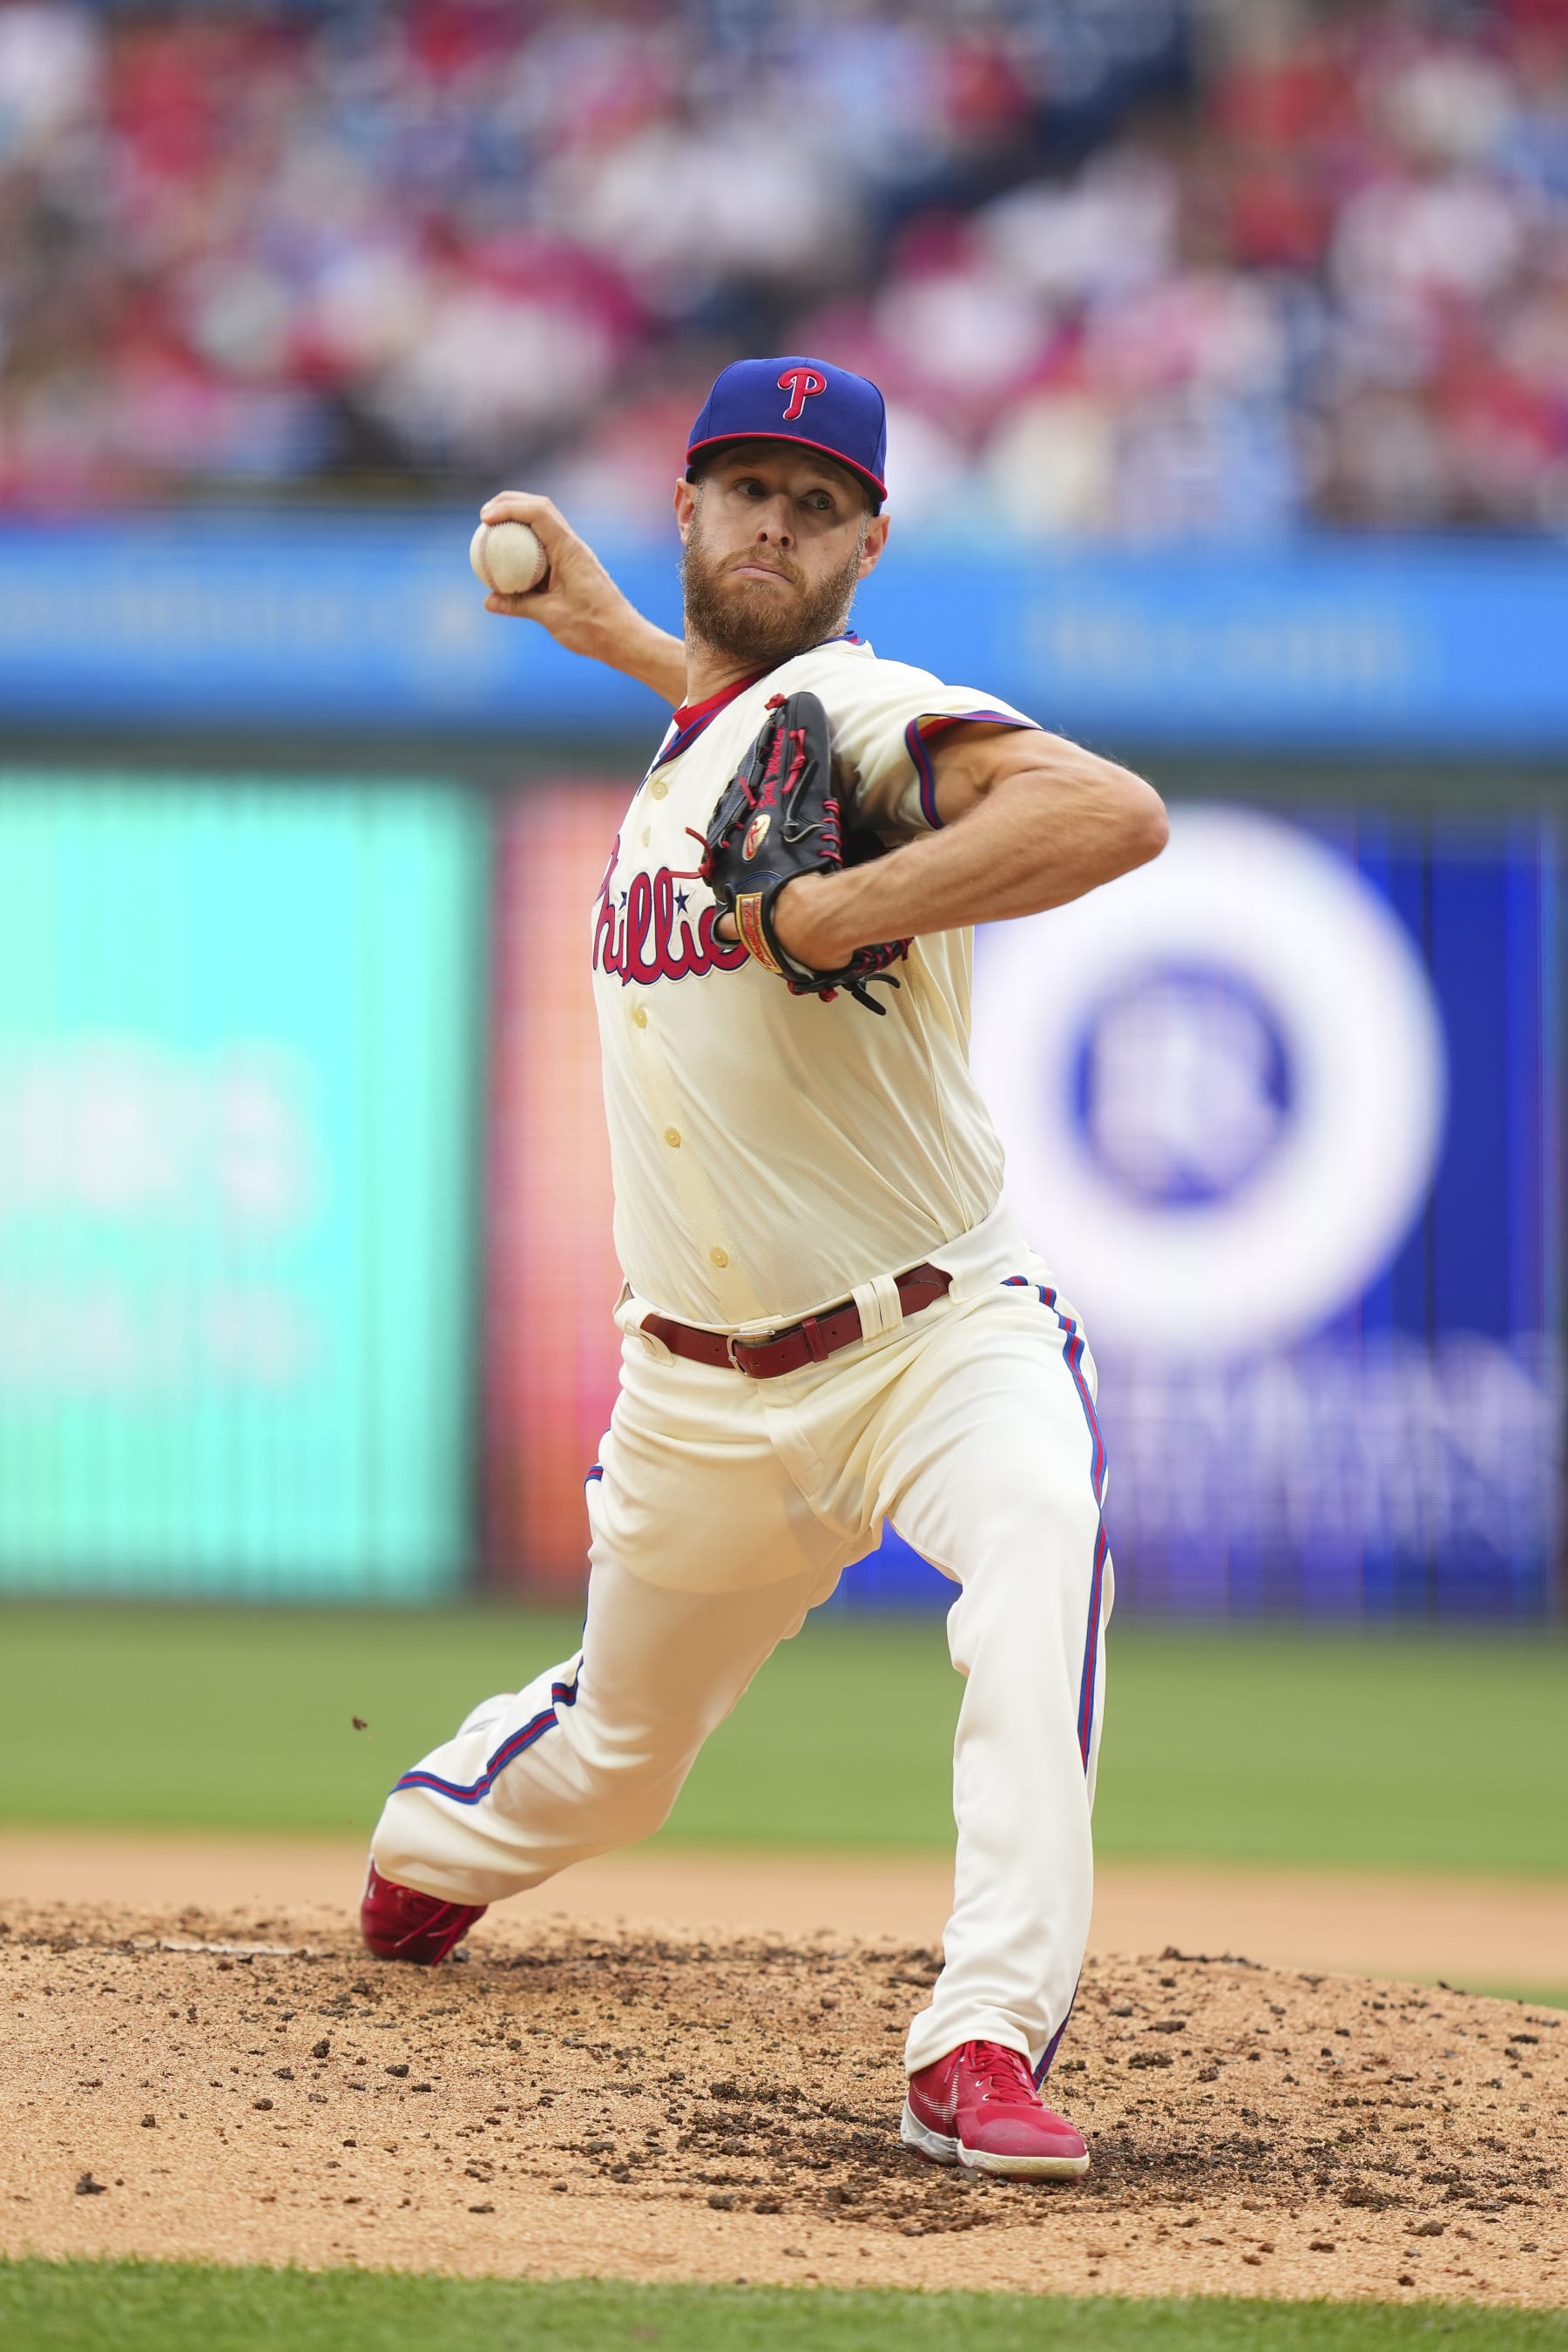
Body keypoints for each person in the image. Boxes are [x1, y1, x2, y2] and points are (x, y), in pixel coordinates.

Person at [362, 357, 1166, 2180]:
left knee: (1044, 1540)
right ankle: (434, 1844)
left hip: (938, 1335)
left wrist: (840, 905)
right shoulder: (716, 733)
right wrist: (630, 647)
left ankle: (980, 2035)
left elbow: (1110, 817)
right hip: (698, 1399)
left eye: (819, 501)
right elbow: (740, 716)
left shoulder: (872, 711)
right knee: (615, 1762)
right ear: (689, 509)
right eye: (749, 488)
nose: (778, 522)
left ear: (873, 537)